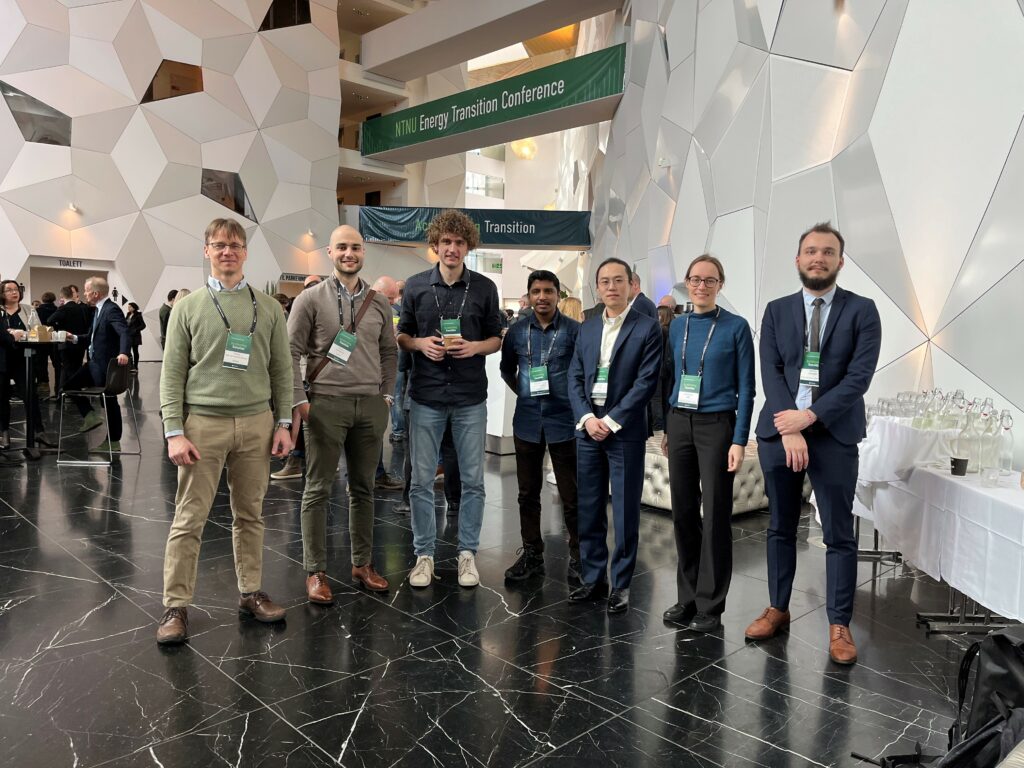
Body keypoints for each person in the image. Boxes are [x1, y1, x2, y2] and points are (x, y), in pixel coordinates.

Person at [744, 222, 881, 666]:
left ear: (840, 261)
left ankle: (839, 623)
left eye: (827, 252)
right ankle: (778, 608)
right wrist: (790, 426)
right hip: (781, 432)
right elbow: (771, 371)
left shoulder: (863, 310)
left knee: (839, 534)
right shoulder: (776, 310)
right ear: (797, 259)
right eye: (810, 251)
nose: (818, 258)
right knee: (781, 525)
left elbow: (858, 378)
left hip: (835, 434)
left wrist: (811, 416)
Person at [156, 218, 293, 645]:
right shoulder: (188, 306)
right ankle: (175, 606)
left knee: (250, 514)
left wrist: (284, 422)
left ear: (245, 252)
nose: (227, 251)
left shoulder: (268, 307)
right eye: (219, 245)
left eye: (234, 245)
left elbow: (281, 370)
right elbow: (172, 373)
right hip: (202, 425)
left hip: (256, 423)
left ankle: (251, 593)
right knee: (189, 518)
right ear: (207, 252)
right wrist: (173, 431)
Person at [288, 225, 397, 603]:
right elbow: (291, 352)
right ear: (329, 253)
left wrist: (386, 396)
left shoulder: (379, 302)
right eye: (342, 248)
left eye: (356, 247)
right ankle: (315, 570)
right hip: (325, 404)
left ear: (363, 252)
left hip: (369, 405)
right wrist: (300, 400)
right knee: (317, 489)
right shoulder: (310, 299)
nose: (349, 253)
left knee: (364, 489)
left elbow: (389, 353)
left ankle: (362, 563)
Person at [397, 209, 503, 588]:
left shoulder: (485, 288)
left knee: (473, 481)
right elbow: (403, 335)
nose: (452, 249)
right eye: (446, 242)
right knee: (421, 481)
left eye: (459, 243)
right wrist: (419, 343)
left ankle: (466, 554)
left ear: (468, 246)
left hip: (470, 398)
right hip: (425, 395)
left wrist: (475, 347)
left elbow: (496, 338)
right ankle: (424, 554)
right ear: (435, 246)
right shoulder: (415, 287)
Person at [660, 255, 755, 632]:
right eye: (696, 280)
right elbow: (673, 376)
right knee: (682, 512)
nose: (702, 286)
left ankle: (710, 603)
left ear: (720, 285)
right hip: (680, 421)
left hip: (717, 425)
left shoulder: (735, 327)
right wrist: (668, 426)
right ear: (687, 282)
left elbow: (747, 388)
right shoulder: (678, 325)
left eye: (710, 280)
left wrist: (739, 439)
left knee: (715, 514)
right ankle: (687, 596)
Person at [568, 258, 662, 614]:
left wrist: (612, 420)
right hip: (588, 430)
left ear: (630, 285)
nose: (611, 287)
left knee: (624, 511)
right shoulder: (587, 327)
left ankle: (621, 583)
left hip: (624, 432)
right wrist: (587, 417)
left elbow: (646, 382)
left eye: (618, 280)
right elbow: (574, 376)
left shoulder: (647, 327)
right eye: (605, 281)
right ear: (597, 287)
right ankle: (594, 578)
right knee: (589, 507)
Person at [500, 270, 581, 583]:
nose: (542, 297)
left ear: (558, 294)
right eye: (536, 291)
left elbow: (583, 373)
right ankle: (532, 554)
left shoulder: (575, 331)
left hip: (565, 421)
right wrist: (526, 392)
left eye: (548, 291)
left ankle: (578, 556)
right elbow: (508, 370)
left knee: (572, 496)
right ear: (529, 295)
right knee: (527, 494)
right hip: (528, 421)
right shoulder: (517, 332)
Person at [62, 277, 131, 452]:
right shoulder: (99, 310)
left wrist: (123, 352)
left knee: (109, 401)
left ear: (95, 293)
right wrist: (75, 337)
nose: (83, 294)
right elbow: (91, 337)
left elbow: (124, 332)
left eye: (86, 290)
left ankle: (113, 442)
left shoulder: (111, 309)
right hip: (94, 364)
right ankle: (90, 415)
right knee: (68, 387)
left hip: (104, 366)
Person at [0, 280, 53, 449]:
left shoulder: (28, 309)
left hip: (23, 358)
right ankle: (4, 433)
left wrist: (22, 333)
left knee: (30, 395)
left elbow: (37, 331)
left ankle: (39, 431)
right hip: (2, 359)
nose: (14, 292)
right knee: (2, 398)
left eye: (16, 289)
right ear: (2, 293)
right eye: (9, 290)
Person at [48, 285, 94, 397]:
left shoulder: (63, 308)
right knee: (77, 367)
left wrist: (59, 327)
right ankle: (74, 393)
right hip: (80, 342)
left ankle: (62, 393)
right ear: (73, 294)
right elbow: (87, 324)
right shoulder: (82, 308)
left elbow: (50, 320)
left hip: (66, 342)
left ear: (62, 296)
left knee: (66, 368)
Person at [35, 291, 59, 397]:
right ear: (53, 299)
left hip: (41, 341)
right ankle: (59, 385)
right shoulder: (57, 310)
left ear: (43, 299)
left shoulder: (37, 310)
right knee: (57, 364)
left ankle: (44, 385)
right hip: (55, 340)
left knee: (41, 364)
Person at [125, 302, 146, 370]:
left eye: (130, 307)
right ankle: (130, 365)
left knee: (135, 351)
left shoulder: (138, 315)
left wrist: (135, 330)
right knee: (128, 351)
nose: (128, 308)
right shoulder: (128, 314)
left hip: (135, 336)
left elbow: (143, 325)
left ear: (134, 307)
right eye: (128, 307)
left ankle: (135, 366)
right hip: (128, 335)